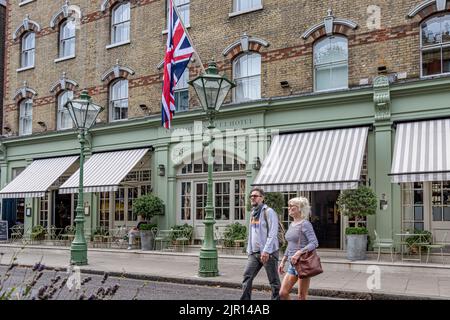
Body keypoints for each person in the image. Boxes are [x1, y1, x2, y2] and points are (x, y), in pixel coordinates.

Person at [240, 187, 281, 300]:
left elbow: (272, 233)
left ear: (262, 198)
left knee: (273, 281)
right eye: (251, 196)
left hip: (269, 253)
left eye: (255, 196)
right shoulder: (253, 213)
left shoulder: (269, 212)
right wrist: (249, 250)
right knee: (247, 277)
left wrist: (266, 251)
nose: (252, 198)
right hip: (254, 253)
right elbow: (252, 233)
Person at [278, 197, 319, 300]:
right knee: (283, 293)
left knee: (301, 297)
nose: (289, 208)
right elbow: (290, 244)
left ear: (300, 209)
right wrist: (283, 261)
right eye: (289, 206)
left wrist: (299, 253)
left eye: (292, 206)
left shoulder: (305, 224)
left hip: (303, 263)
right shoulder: (292, 224)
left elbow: (314, 243)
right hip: (292, 264)